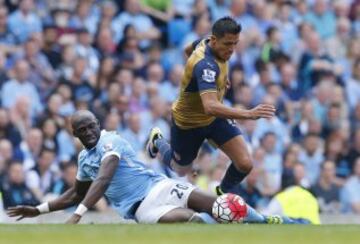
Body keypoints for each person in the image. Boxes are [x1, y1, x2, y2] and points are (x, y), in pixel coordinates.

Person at [6, 110, 301, 224]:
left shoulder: (112, 141)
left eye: (92, 125)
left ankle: (269, 222)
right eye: (82, 129)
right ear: (75, 134)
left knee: (219, 205)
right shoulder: (85, 160)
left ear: (99, 125)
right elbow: (75, 193)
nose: (89, 131)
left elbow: (105, 177)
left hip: (159, 186)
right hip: (142, 209)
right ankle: (240, 229)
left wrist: (79, 215)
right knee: (197, 223)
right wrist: (40, 209)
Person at [146, 17, 276, 195]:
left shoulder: (206, 41)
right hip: (189, 123)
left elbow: (186, 50)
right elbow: (210, 106)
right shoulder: (205, 65)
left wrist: (218, 80)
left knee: (245, 163)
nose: (231, 49)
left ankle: (220, 196)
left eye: (235, 44)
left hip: (214, 120)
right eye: (227, 44)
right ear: (215, 40)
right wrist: (248, 114)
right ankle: (157, 140)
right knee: (181, 170)